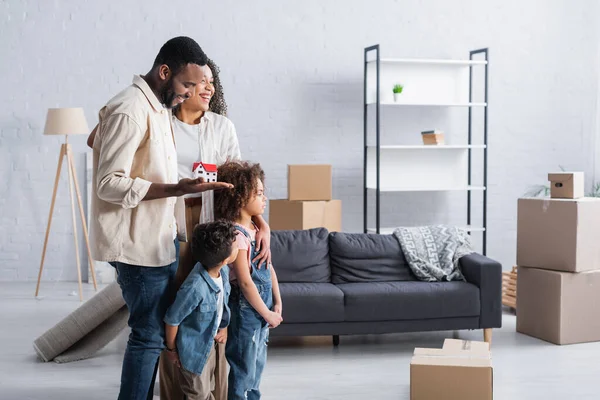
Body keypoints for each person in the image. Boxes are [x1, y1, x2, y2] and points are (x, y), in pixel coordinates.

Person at [90, 36, 233, 400]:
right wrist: (175, 189)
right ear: (164, 71)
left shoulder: (153, 107)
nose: (188, 94)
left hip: (157, 241)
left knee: (150, 335)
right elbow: (108, 184)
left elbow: (98, 138)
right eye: (186, 84)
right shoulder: (131, 108)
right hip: (136, 248)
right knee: (148, 338)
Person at [160, 58, 273, 400]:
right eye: (201, 81)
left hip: (214, 229)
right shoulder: (161, 123)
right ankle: (180, 386)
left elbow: (241, 185)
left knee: (214, 300)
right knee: (179, 304)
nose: (209, 87)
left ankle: (216, 389)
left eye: (212, 81)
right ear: (182, 83)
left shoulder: (222, 127)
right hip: (172, 228)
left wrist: (260, 221)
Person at [213, 161, 283, 400]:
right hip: (248, 310)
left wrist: (278, 302)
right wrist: (267, 313)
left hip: (262, 308)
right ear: (240, 198)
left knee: (256, 366)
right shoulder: (238, 236)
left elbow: (268, 267)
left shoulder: (255, 228)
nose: (265, 199)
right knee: (244, 368)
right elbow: (244, 283)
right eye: (260, 193)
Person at [163, 220, 238, 400]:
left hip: (209, 344)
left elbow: (222, 304)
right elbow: (172, 319)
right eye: (236, 246)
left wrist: (224, 327)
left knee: (208, 388)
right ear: (224, 259)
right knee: (198, 393)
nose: (239, 247)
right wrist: (172, 351)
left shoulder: (224, 272)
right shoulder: (195, 288)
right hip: (191, 351)